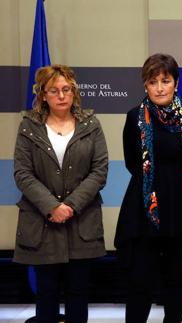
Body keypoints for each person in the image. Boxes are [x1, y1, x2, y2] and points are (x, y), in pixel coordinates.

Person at [115, 53, 182, 323]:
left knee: (177, 279)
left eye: (165, 80)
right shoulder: (133, 118)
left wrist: (178, 184)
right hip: (143, 210)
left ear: (176, 83)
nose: (159, 87)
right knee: (141, 280)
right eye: (153, 82)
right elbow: (131, 162)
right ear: (145, 85)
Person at [13, 64, 108, 323]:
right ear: (43, 94)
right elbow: (22, 174)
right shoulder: (28, 127)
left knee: (79, 292)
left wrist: (70, 206)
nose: (62, 95)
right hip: (42, 223)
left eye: (67, 89)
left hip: (81, 223)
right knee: (47, 293)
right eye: (54, 90)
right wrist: (52, 207)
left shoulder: (91, 124)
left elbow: (99, 170)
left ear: (74, 92)